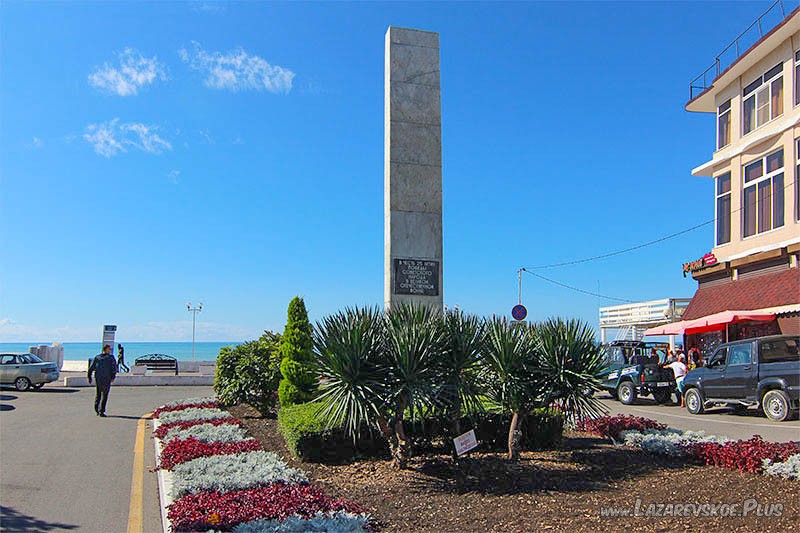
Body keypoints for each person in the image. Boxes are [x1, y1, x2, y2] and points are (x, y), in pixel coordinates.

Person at [88, 344, 117, 417]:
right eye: (109, 349)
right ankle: (101, 410)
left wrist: (89, 377)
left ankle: (97, 409)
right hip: (106, 378)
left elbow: (91, 368)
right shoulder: (110, 358)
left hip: (99, 378)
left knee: (99, 394)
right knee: (104, 394)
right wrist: (113, 376)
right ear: (106, 350)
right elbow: (114, 368)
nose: (110, 350)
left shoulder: (98, 357)